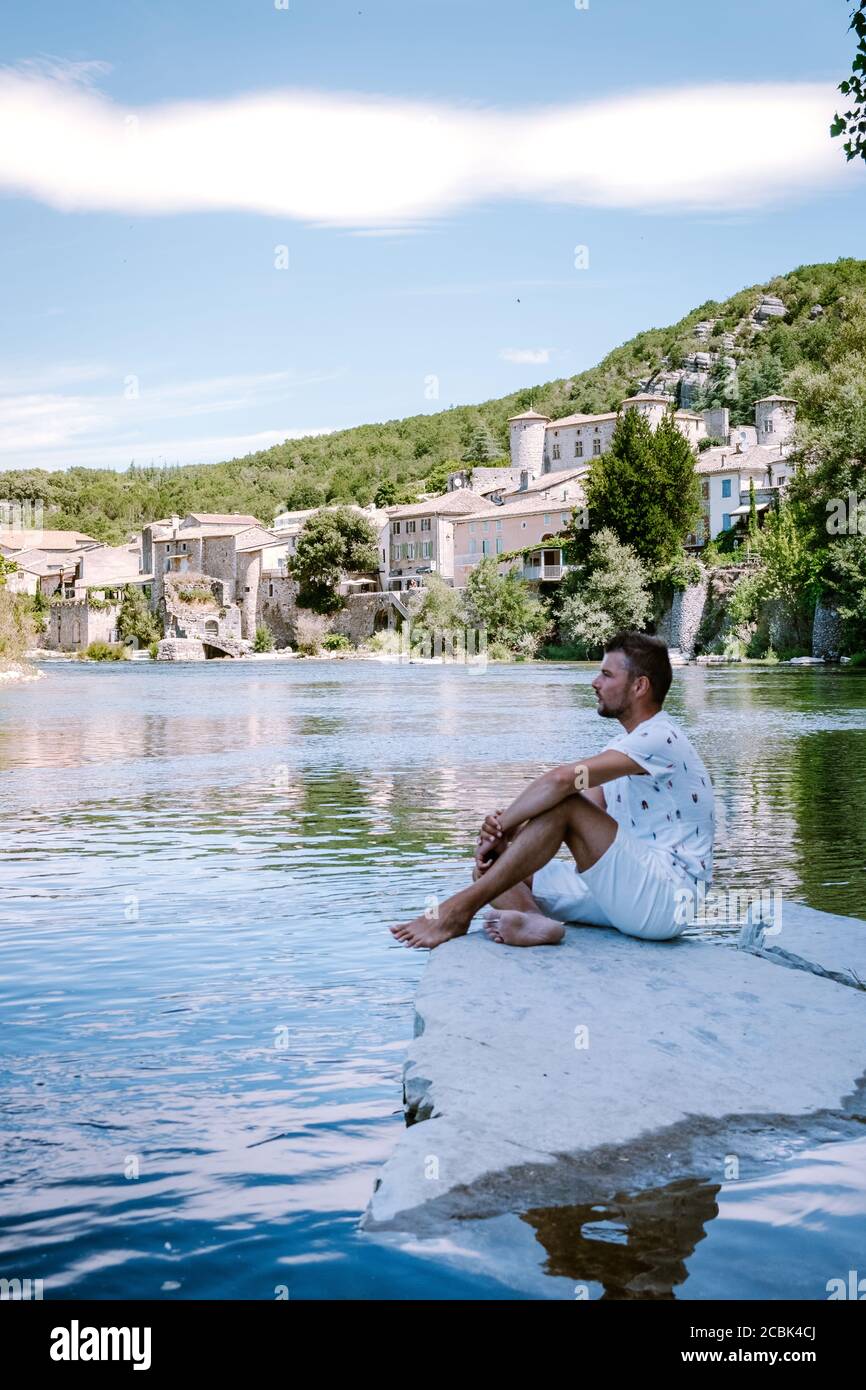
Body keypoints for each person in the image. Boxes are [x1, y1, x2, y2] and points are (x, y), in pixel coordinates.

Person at [390, 631, 714, 950]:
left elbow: (563, 784)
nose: (595, 683)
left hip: (666, 897)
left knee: (563, 803)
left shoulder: (660, 738)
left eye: (606, 674)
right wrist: (506, 841)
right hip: (630, 892)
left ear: (640, 686)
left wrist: (508, 823)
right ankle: (533, 921)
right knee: (492, 869)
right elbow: (584, 810)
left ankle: (456, 911)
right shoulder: (623, 748)